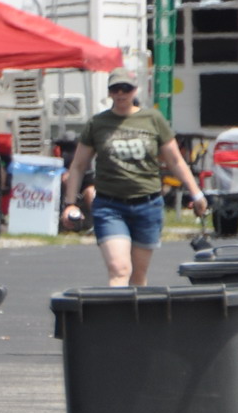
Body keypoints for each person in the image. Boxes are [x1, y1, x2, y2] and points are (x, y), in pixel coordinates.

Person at [62, 67, 206, 286]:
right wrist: (70, 203)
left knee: (138, 275)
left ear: (135, 90)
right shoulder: (98, 123)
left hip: (147, 205)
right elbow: (78, 166)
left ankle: (134, 309)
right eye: (115, 89)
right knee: (119, 269)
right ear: (109, 92)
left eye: (126, 88)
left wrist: (196, 194)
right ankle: (117, 308)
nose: (121, 93)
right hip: (110, 206)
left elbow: (175, 161)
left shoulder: (153, 119)